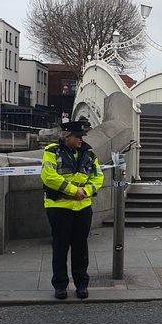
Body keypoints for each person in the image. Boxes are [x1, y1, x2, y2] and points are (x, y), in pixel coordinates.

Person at [41, 121, 104, 299]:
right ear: (66, 137)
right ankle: (60, 286)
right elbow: (48, 176)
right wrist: (73, 190)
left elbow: (98, 176)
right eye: (78, 137)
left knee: (80, 248)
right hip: (59, 207)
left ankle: (81, 284)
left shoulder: (89, 153)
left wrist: (86, 191)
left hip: (82, 207)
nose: (81, 140)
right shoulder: (52, 151)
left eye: (82, 137)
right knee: (60, 248)